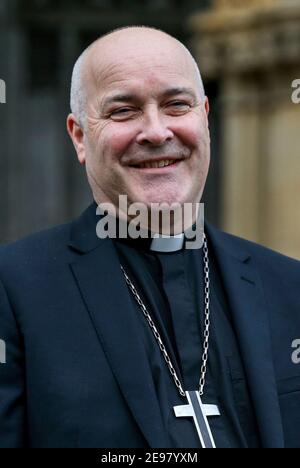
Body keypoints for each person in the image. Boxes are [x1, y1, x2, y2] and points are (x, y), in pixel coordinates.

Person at [0, 26, 299, 449]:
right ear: (80, 136)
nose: (157, 132)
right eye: (124, 111)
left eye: (177, 105)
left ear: (205, 118)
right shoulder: (12, 289)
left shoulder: (290, 286)